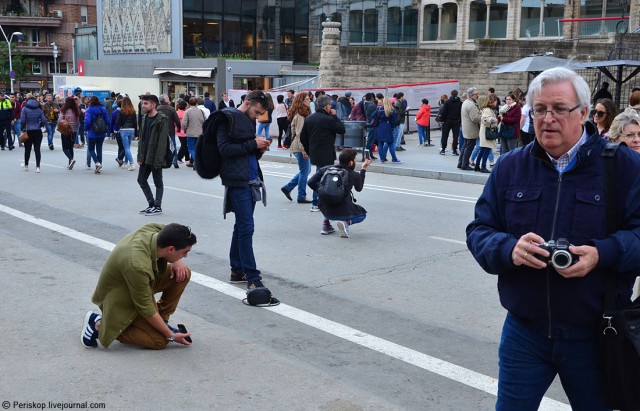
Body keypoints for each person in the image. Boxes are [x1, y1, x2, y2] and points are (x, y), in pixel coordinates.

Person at [466, 67, 640, 410]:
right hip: (525, 332)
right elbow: (479, 231)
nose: (547, 118)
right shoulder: (510, 166)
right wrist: (508, 248)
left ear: (584, 113)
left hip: (596, 333)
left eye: (559, 109)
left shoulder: (623, 166)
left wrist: (601, 254)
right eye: (539, 109)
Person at [81, 223, 196, 350]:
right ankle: (100, 324)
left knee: (183, 273)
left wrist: (176, 261)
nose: (185, 256)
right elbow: (145, 307)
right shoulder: (137, 264)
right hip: (121, 296)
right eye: (185, 252)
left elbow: (170, 231)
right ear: (171, 249)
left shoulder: (154, 229)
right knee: (159, 341)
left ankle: (161, 321)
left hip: (139, 282)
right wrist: (171, 336)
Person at [217, 90, 271, 289]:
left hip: (251, 180)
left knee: (241, 226)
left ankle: (237, 270)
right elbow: (224, 150)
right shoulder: (228, 119)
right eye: (257, 112)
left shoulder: (249, 122)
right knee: (246, 228)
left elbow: (248, 156)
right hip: (237, 183)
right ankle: (252, 277)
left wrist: (259, 149)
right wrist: (252, 143)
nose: (257, 117)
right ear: (248, 104)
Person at [307, 148, 370, 238]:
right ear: (351, 163)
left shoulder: (325, 169)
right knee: (362, 214)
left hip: (325, 210)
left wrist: (321, 191)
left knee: (327, 200)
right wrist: (363, 169)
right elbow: (359, 188)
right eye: (355, 159)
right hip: (343, 212)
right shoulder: (353, 174)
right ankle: (346, 223)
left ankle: (326, 225)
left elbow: (310, 182)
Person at [300, 95, 346, 212]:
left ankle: (318, 201)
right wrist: (335, 116)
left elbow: (303, 137)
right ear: (326, 106)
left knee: (320, 175)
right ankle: (317, 202)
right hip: (326, 152)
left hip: (314, 152)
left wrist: (309, 150)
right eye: (330, 105)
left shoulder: (310, 118)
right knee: (323, 178)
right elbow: (342, 129)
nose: (331, 107)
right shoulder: (328, 119)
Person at [137, 94, 168, 216]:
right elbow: (141, 138)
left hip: (155, 156)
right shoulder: (144, 118)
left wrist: (159, 160)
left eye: (146, 103)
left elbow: (162, 142)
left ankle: (157, 206)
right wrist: (140, 156)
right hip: (145, 155)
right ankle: (151, 204)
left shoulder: (161, 119)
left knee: (158, 182)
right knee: (141, 180)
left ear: (153, 105)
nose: (143, 106)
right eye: (143, 103)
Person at [281, 92, 312, 203]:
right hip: (300, 147)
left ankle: (288, 187)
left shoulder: (302, 113)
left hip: (299, 146)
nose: (309, 101)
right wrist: (304, 150)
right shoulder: (300, 115)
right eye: (307, 99)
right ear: (302, 101)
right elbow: (300, 134)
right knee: (304, 171)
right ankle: (301, 196)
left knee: (306, 170)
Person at [20, 94, 47, 173]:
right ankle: (38, 167)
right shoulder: (39, 109)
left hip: (28, 130)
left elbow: (22, 121)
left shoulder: (25, 109)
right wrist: (40, 125)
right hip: (37, 131)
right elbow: (44, 120)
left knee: (27, 149)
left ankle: (26, 165)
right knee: (37, 149)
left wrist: (23, 127)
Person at [84, 96, 110, 174]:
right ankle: (100, 166)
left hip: (92, 132)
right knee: (99, 149)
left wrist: (85, 129)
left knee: (91, 149)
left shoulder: (89, 110)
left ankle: (97, 163)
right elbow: (108, 121)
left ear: (90, 102)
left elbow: (87, 121)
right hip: (101, 133)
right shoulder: (103, 109)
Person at [459, 87, 482, 170]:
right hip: (471, 129)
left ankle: (460, 163)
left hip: (467, 128)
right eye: (476, 94)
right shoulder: (471, 104)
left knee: (465, 146)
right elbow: (475, 118)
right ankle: (464, 165)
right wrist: (483, 116)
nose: (478, 95)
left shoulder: (466, 102)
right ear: (472, 95)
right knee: (469, 147)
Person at [374, 97, 402, 164]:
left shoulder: (379, 109)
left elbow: (373, 115)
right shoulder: (392, 110)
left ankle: (382, 159)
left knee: (380, 143)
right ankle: (394, 158)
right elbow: (394, 121)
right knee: (390, 144)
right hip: (388, 127)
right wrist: (392, 126)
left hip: (379, 127)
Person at [158, 94, 182, 169]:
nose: (169, 99)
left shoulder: (157, 108)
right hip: (170, 130)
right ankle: (174, 161)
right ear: (165, 100)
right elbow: (177, 120)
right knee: (173, 145)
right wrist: (179, 128)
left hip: (160, 130)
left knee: (161, 145)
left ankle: (161, 160)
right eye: (167, 98)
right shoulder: (171, 109)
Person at [476, 94, 498, 173]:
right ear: (492, 101)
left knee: (482, 150)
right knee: (487, 150)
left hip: (484, 131)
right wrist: (493, 120)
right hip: (487, 131)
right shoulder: (488, 110)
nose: (496, 103)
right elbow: (484, 119)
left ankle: (477, 166)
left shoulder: (486, 109)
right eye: (496, 101)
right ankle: (483, 167)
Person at [182, 97, 205, 168]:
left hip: (190, 132)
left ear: (189, 103)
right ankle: (196, 162)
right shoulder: (201, 111)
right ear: (196, 103)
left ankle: (196, 162)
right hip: (199, 132)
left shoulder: (188, 111)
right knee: (197, 148)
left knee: (191, 148)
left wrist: (185, 130)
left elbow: (184, 123)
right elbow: (204, 121)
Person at [116, 96, 138, 171]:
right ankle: (125, 163)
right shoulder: (133, 111)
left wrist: (121, 125)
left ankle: (131, 164)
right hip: (132, 129)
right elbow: (135, 122)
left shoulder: (121, 111)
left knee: (126, 147)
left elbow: (119, 122)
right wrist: (136, 133)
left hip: (124, 129)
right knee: (127, 147)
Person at [58, 97, 80, 170]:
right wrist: (75, 129)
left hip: (65, 131)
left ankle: (71, 159)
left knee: (65, 148)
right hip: (73, 132)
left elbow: (60, 121)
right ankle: (70, 162)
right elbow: (77, 122)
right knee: (70, 147)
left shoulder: (63, 111)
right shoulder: (75, 111)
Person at [439, 90, 462, 155]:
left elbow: (444, 112)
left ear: (451, 94)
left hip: (447, 120)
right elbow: (461, 113)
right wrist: (459, 121)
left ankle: (443, 149)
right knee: (455, 136)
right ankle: (454, 150)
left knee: (445, 135)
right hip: (456, 121)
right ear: (457, 94)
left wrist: (442, 120)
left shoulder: (447, 102)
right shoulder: (460, 103)